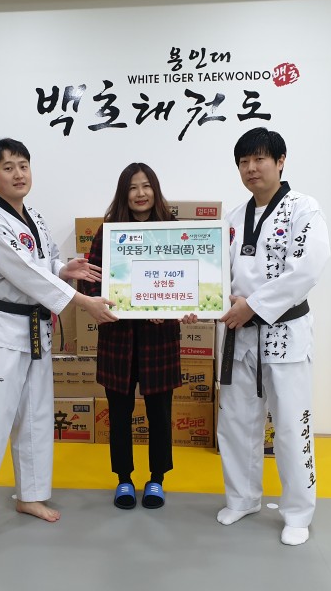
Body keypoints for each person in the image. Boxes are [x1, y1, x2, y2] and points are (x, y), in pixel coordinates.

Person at [0, 138, 117, 549]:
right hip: (2, 332)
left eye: (23, 165)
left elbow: (41, 265)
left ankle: (30, 495)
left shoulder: (35, 217)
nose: (18, 174)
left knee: (37, 416)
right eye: (8, 167)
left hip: (36, 331)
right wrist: (82, 301)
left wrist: (64, 267)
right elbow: (24, 274)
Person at [217, 127, 330, 546]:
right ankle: (242, 498)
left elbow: (308, 269)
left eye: (260, 159)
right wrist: (206, 301)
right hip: (239, 335)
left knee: (291, 425)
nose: (251, 168)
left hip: (284, 333)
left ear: (280, 162)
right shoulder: (233, 218)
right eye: (244, 162)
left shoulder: (304, 209)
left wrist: (253, 305)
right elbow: (216, 274)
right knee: (236, 423)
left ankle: (298, 511)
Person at [83, 163, 196, 511]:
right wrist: (100, 303)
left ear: (155, 190)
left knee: (160, 414)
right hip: (118, 338)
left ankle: (156, 478)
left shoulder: (172, 231)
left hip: (159, 339)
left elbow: (186, 280)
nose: (141, 193)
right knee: (119, 414)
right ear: (124, 193)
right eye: (133, 187)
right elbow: (91, 281)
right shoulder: (108, 232)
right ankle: (124, 479)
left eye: (146, 186)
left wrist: (180, 307)